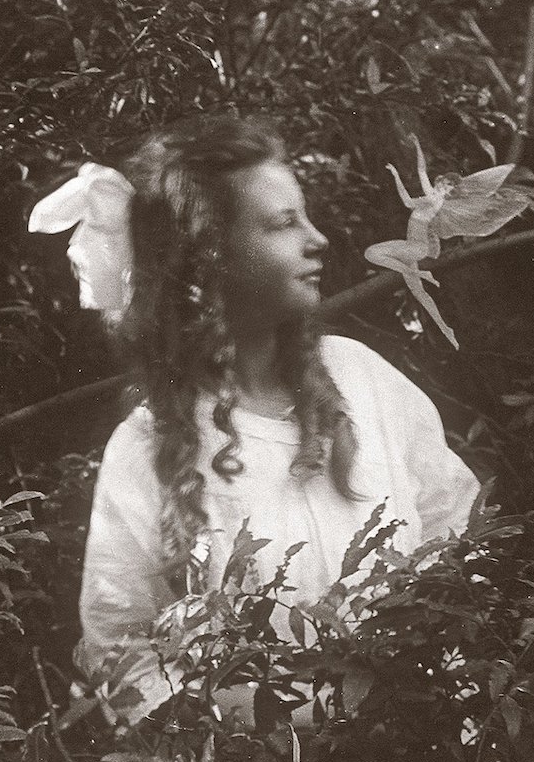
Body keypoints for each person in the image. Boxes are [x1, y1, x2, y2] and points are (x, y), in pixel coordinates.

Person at [29, 114, 480, 723]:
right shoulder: (147, 444)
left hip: (418, 744)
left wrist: (440, 688)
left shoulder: (362, 380)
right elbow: (123, 648)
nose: (317, 239)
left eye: (305, 215)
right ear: (210, 256)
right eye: (282, 223)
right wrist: (241, 743)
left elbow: (453, 529)